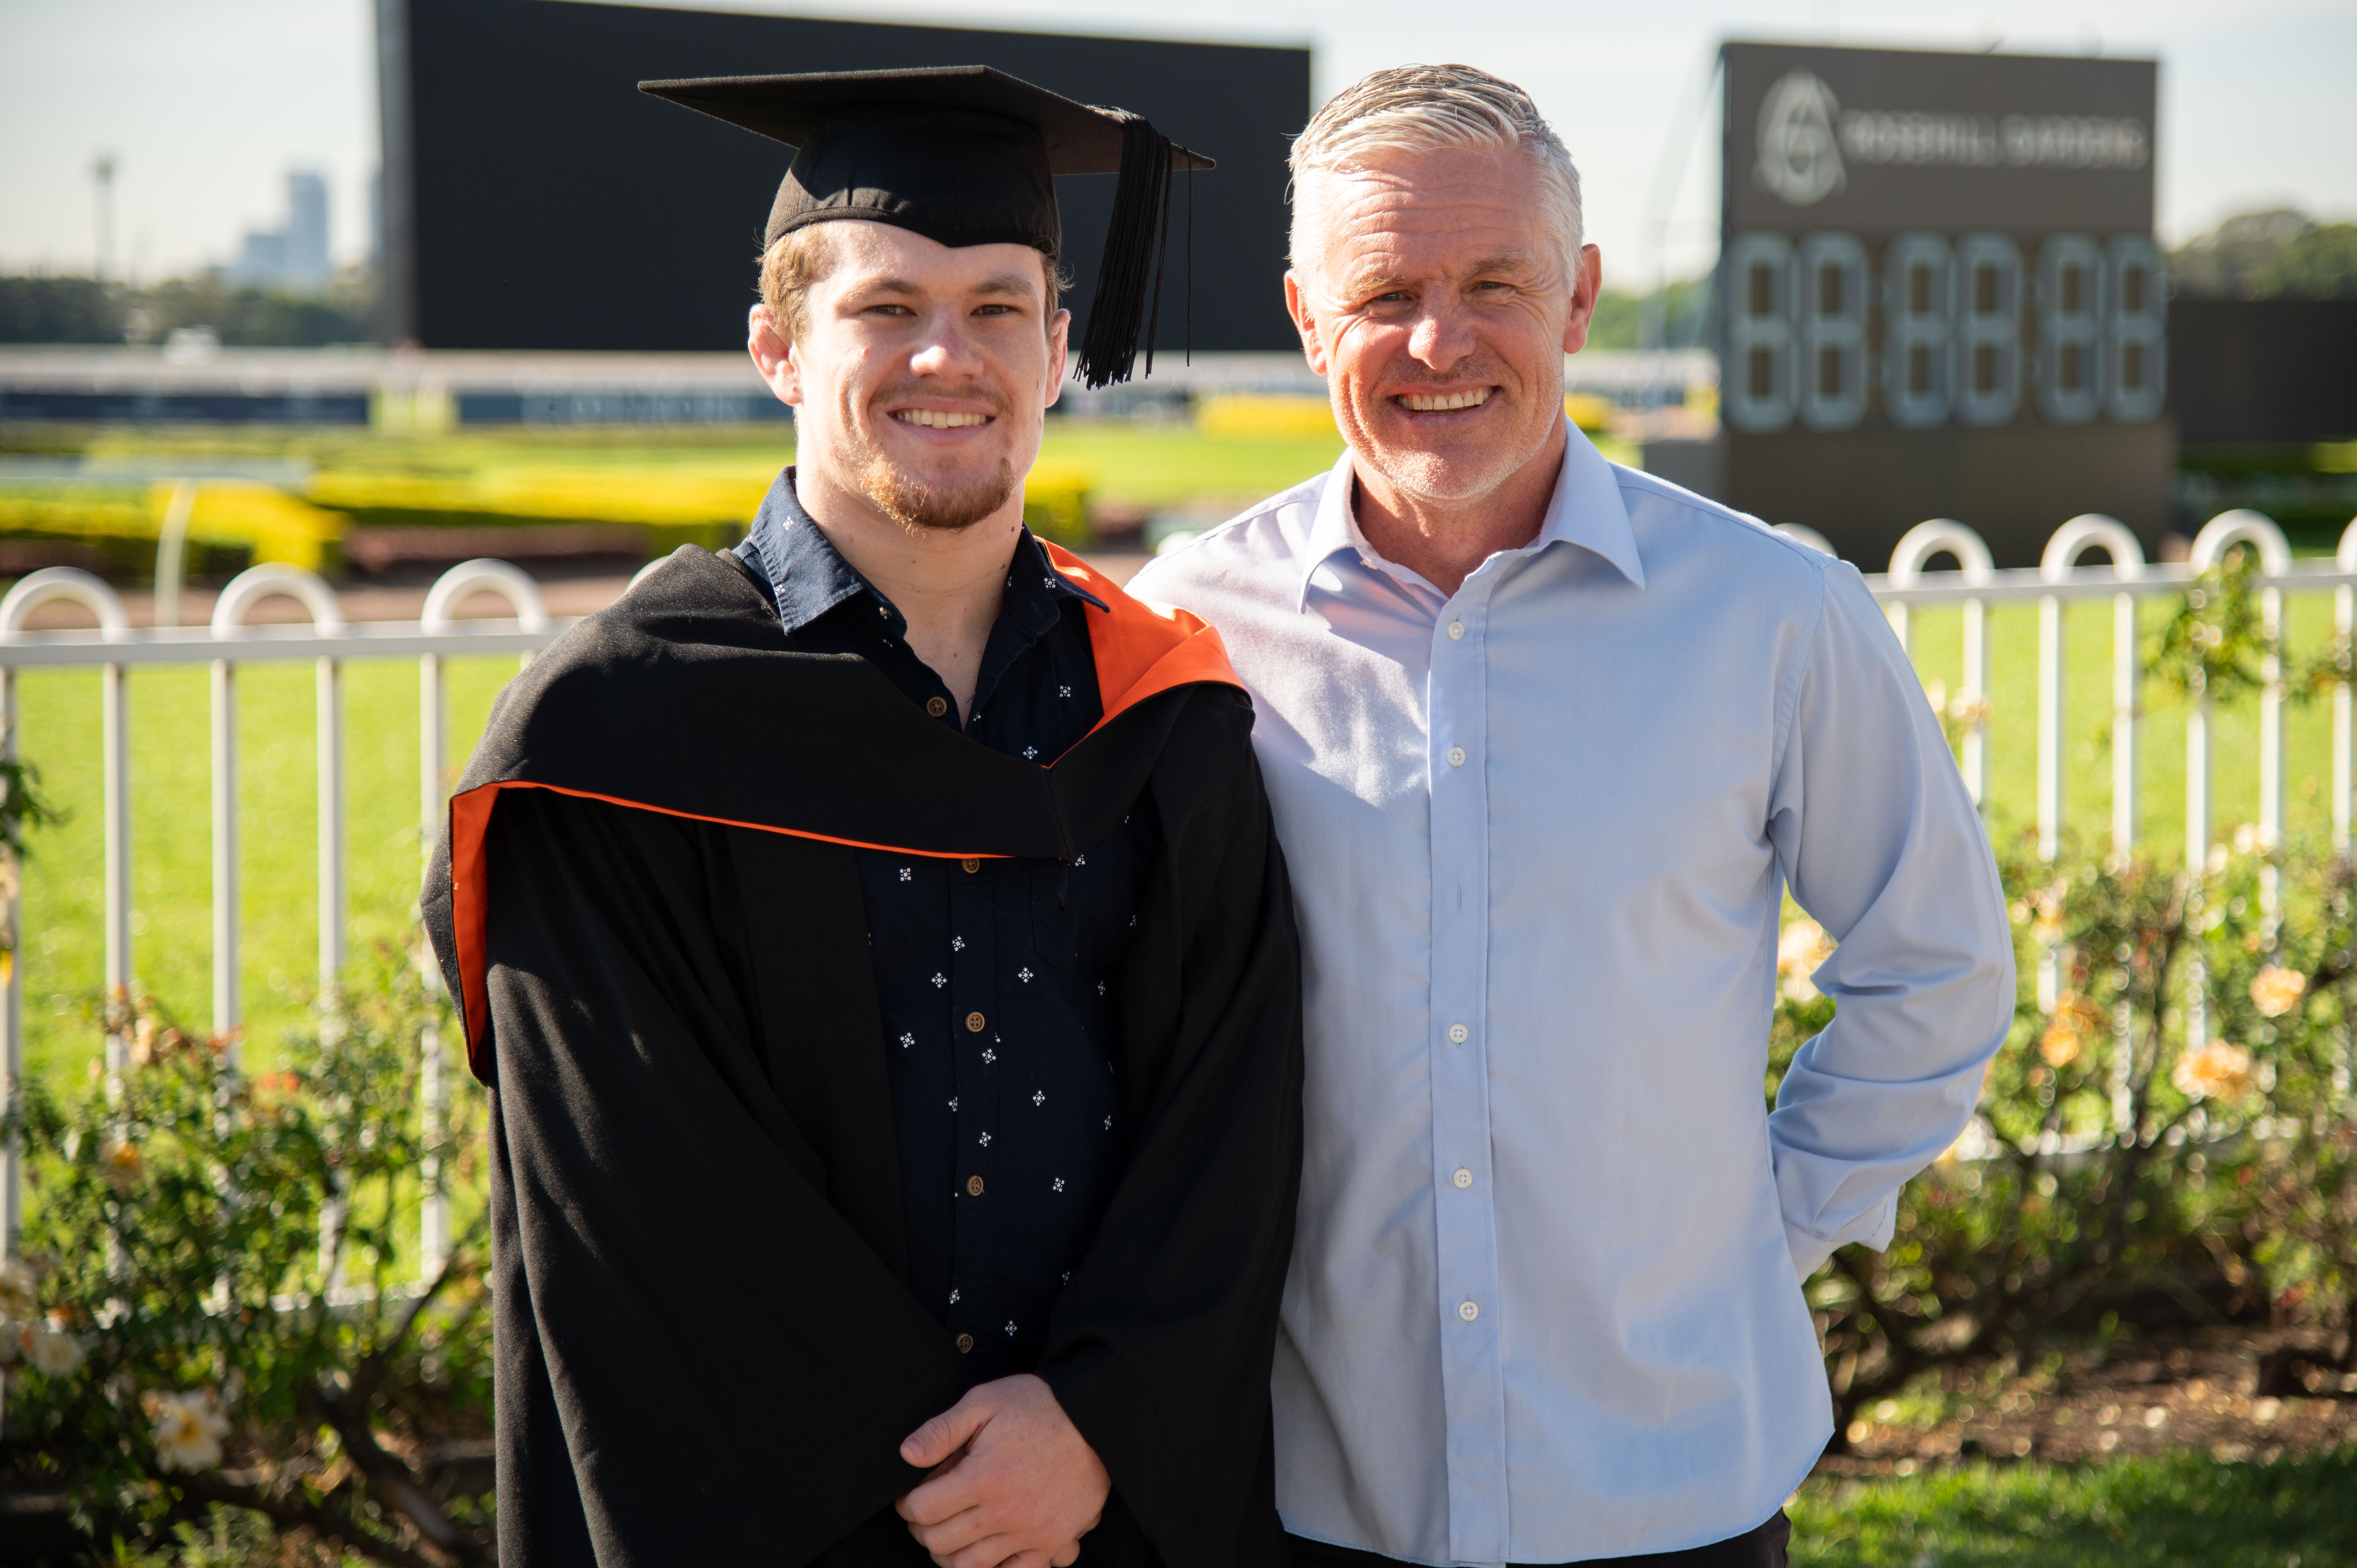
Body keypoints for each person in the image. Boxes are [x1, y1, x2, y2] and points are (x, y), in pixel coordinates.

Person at [1130, 64, 2015, 1568]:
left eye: (1495, 281)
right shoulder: (1190, 626)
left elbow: (1937, 966)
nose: (1440, 339)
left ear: (1582, 297)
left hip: (1678, 1485)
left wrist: (1761, 1232)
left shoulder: (1775, 613)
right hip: (1319, 1493)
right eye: (1386, 289)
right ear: (1303, 315)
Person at [422, 66, 1302, 1568]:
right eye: (886, 307)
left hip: (1102, 1518)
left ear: (1062, 347)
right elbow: (627, 1188)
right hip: (770, 1522)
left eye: (998, 307)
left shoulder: (1164, 718)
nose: (946, 356)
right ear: (776, 344)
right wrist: (937, 1472)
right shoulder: (620, 729)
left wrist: (1103, 1422)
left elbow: (1235, 1120)